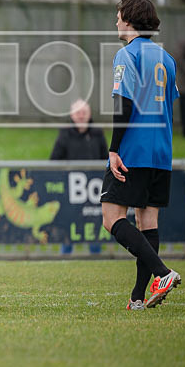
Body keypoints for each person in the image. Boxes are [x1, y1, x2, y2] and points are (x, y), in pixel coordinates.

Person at [100, 0, 182, 311]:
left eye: (119, 15)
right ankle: (138, 298)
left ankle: (161, 274)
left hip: (134, 149)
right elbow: (167, 103)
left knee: (111, 218)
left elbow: (124, 103)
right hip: (162, 151)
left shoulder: (126, 55)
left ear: (130, 20)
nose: (116, 21)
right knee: (147, 222)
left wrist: (114, 149)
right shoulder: (167, 58)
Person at [50, 99, 108, 254]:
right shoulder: (64, 134)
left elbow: (105, 159)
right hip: (71, 190)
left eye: (84, 112)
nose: (81, 116)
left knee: (94, 224)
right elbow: (54, 160)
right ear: (72, 115)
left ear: (89, 114)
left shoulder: (97, 133)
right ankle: (65, 254)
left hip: (93, 190)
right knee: (68, 223)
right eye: (78, 113)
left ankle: (96, 255)